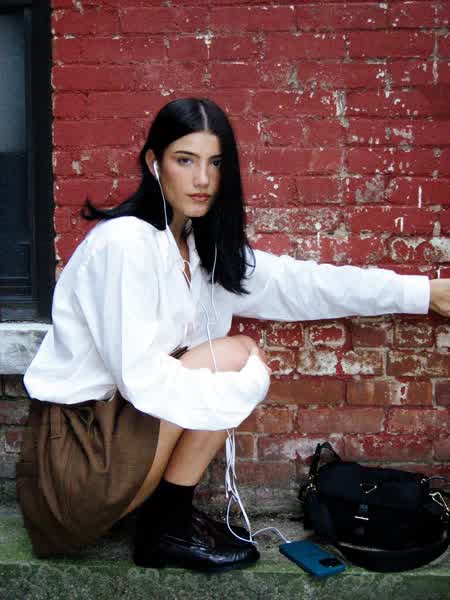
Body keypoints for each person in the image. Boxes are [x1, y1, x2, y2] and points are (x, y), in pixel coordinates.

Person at [18, 97, 450, 572]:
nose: (203, 179)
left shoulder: (201, 251)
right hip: (75, 467)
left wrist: (422, 293)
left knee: (232, 360)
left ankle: (166, 521)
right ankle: (165, 526)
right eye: (186, 160)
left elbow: (304, 284)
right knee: (236, 358)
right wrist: (244, 388)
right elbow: (140, 380)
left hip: (118, 450)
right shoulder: (124, 244)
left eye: (215, 163)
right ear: (154, 163)